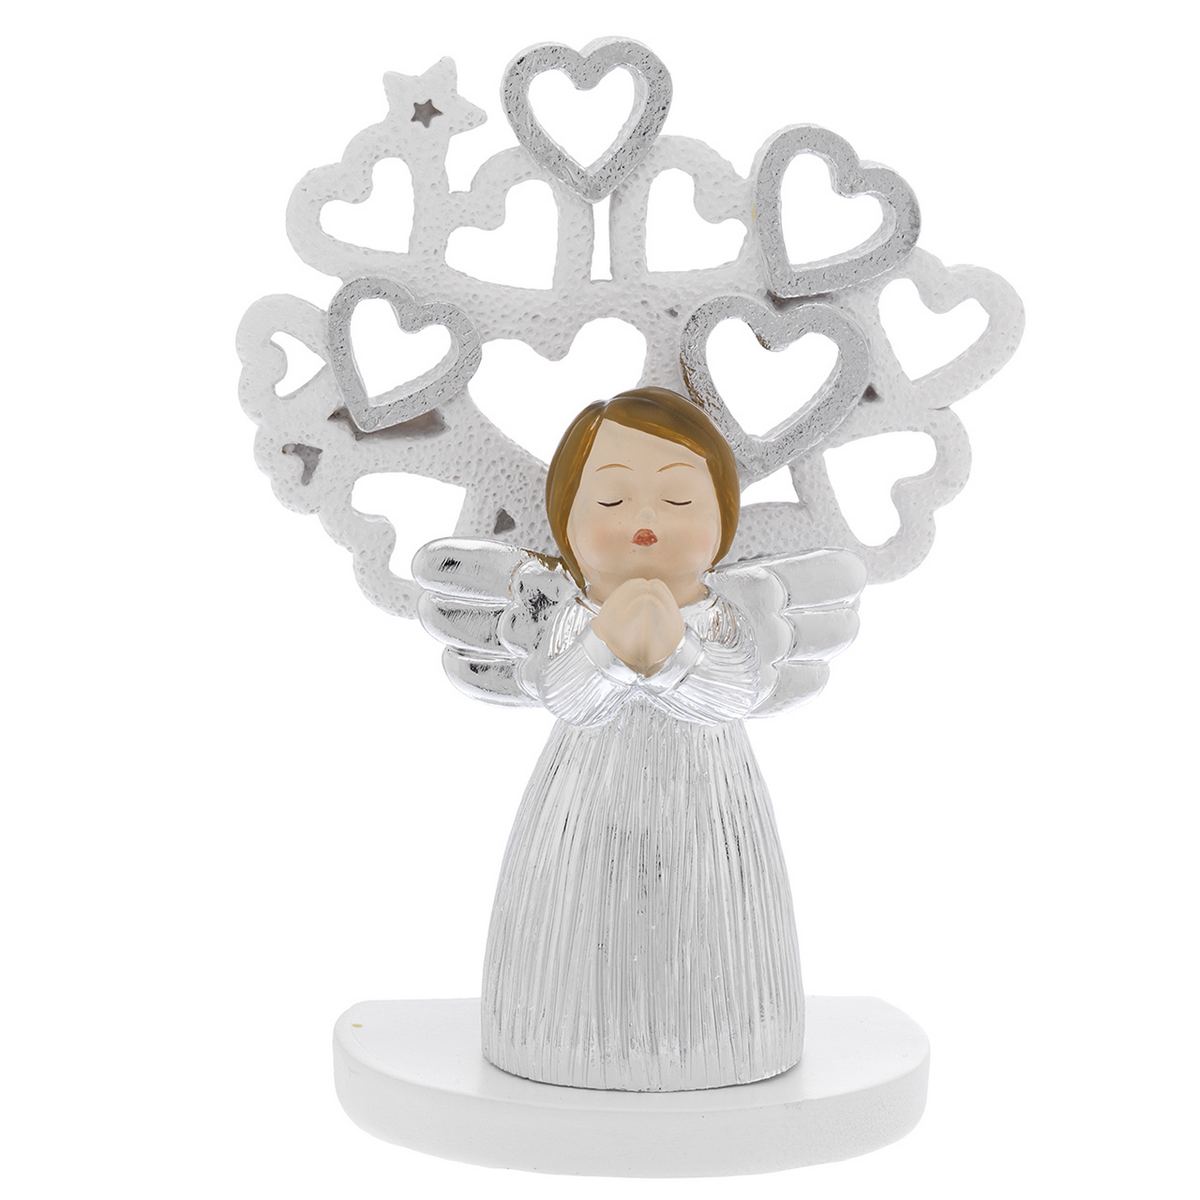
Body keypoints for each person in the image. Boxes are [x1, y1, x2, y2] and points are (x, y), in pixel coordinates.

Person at [480, 386, 804, 1091]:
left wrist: (672, 653)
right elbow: (566, 696)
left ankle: (726, 1038)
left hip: (708, 800)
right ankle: (561, 1037)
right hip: (586, 801)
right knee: (580, 915)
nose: (646, 521)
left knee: (709, 919)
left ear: (722, 517)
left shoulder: (721, 617)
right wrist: (611, 646)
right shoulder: (574, 616)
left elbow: (735, 694)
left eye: (679, 499)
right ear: (567, 518)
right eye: (612, 499)